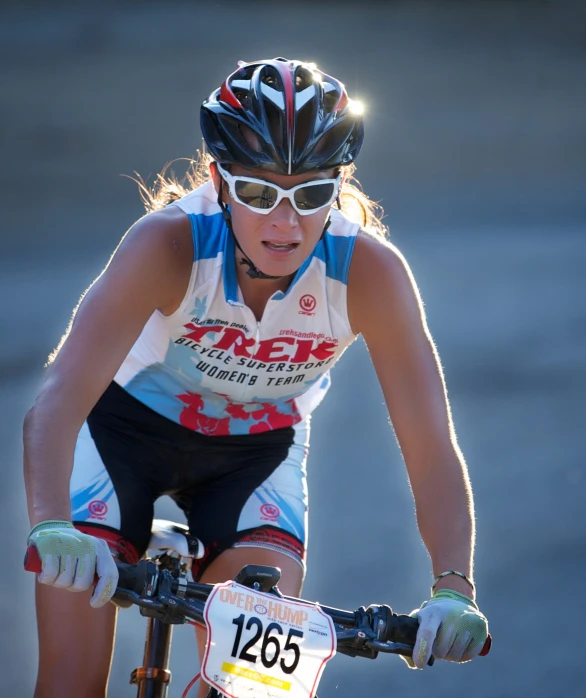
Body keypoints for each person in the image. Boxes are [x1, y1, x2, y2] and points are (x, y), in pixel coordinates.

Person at [23, 57, 489, 698]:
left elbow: (431, 445)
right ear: (219, 181)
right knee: (72, 680)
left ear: (338, 189)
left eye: (312, 194)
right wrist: (51, 526)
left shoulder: (370, 274)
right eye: (260, 193)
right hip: (118, 433)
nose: (285, 223)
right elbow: (57, 400)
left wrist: (453, 586)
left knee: (255, 690)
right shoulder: (167, 245)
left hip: (256, 453)